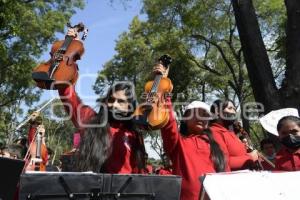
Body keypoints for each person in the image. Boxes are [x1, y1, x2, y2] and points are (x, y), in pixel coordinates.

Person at [57, 29, 147, 173]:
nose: (114, 104)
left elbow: (139, 172)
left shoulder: (135, 134)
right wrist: (69, 50)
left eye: (121, 101)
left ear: (130, 107)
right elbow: (67, 92)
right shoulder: (91, 120)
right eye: (111, 99)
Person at [154, 64, 230, 200]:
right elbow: (168, 121)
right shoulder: (178, 143)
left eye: (205, 115)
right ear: (185, 118)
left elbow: (227, 175)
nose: (201, 117)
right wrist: (162, 82)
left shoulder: (216, 146)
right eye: (196, 113)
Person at [210, 100, 259, 170]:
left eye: (234, 109)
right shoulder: (215, 132)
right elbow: (222, 163)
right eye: (230, 108)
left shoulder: (231, 133)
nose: (234, 112)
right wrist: (250, 157)